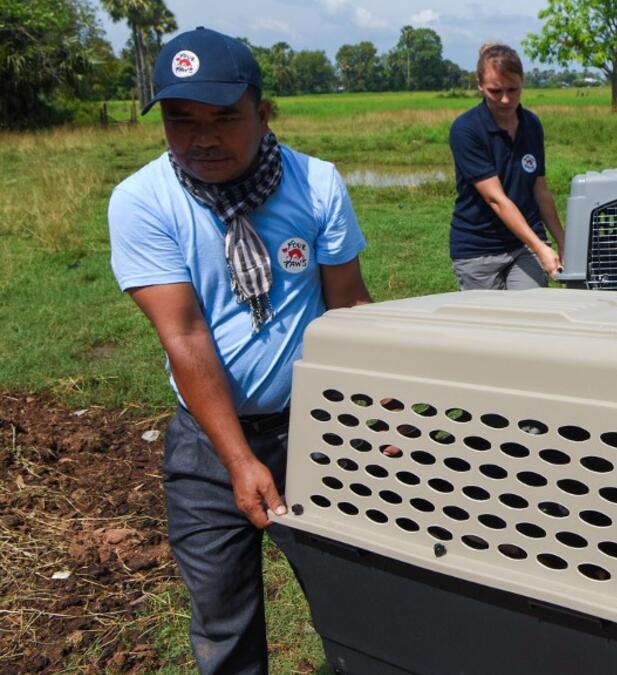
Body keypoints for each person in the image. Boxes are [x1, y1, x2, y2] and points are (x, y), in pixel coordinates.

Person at [107, 27, 372, 673]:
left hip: (318, 426)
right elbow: (185, 335)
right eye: (180, 119)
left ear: (263, 112)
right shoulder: (143, 202)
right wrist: (237, 459)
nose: (202, 137)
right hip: (207, 443)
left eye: (224, 117)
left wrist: (372, 411)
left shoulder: (315, 184)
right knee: (224, 624)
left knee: (355, 603)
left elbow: (350, 304)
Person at [448, 43, 566, 290]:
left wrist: (563, 242)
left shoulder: (531, 124)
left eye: (513, 89)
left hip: (524, 245)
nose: (505, 99)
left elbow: (540, 190)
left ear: (523, 82)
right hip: (478, 249)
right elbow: (496, 199)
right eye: (495, 91)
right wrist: (541, 248)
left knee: (531, 315)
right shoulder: (466, 130)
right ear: (480, 85)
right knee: (489, 325)